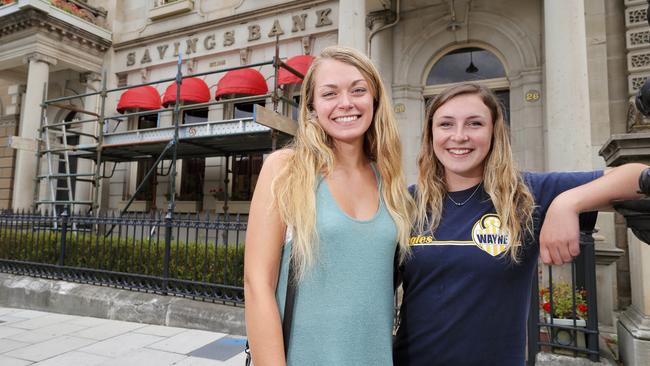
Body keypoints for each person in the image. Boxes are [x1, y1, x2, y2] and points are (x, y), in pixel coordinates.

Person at [393, 83, 646, 366]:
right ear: (431, 135)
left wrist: (569, 202)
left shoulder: (528, 194)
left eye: (474, 123)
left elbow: (638, 178)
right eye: (446, 124)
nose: (459, 136)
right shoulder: (408, 203)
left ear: (494, 132)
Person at [244, 46, 413, 366]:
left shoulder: (390, 181)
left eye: (358, 90)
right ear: (312, 107)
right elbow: (257, 286)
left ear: (375, 101)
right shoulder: (286, 169)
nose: (345, 103)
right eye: (330, 93)